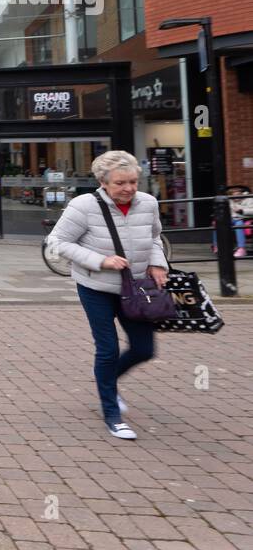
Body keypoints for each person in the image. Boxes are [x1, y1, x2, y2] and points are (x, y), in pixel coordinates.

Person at [48, 150, 168, 441]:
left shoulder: (148, 203)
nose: (128, 189)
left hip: (136, 288)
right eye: (120, 183)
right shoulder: (83, 206)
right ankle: (112, 414)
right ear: (103, 183)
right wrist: (100, 261)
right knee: (108, 349)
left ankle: (107, 382)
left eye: (133, 182)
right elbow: (57, 242)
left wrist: (157, 263)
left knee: (144, 349)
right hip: (96, 287)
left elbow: (154, 238)